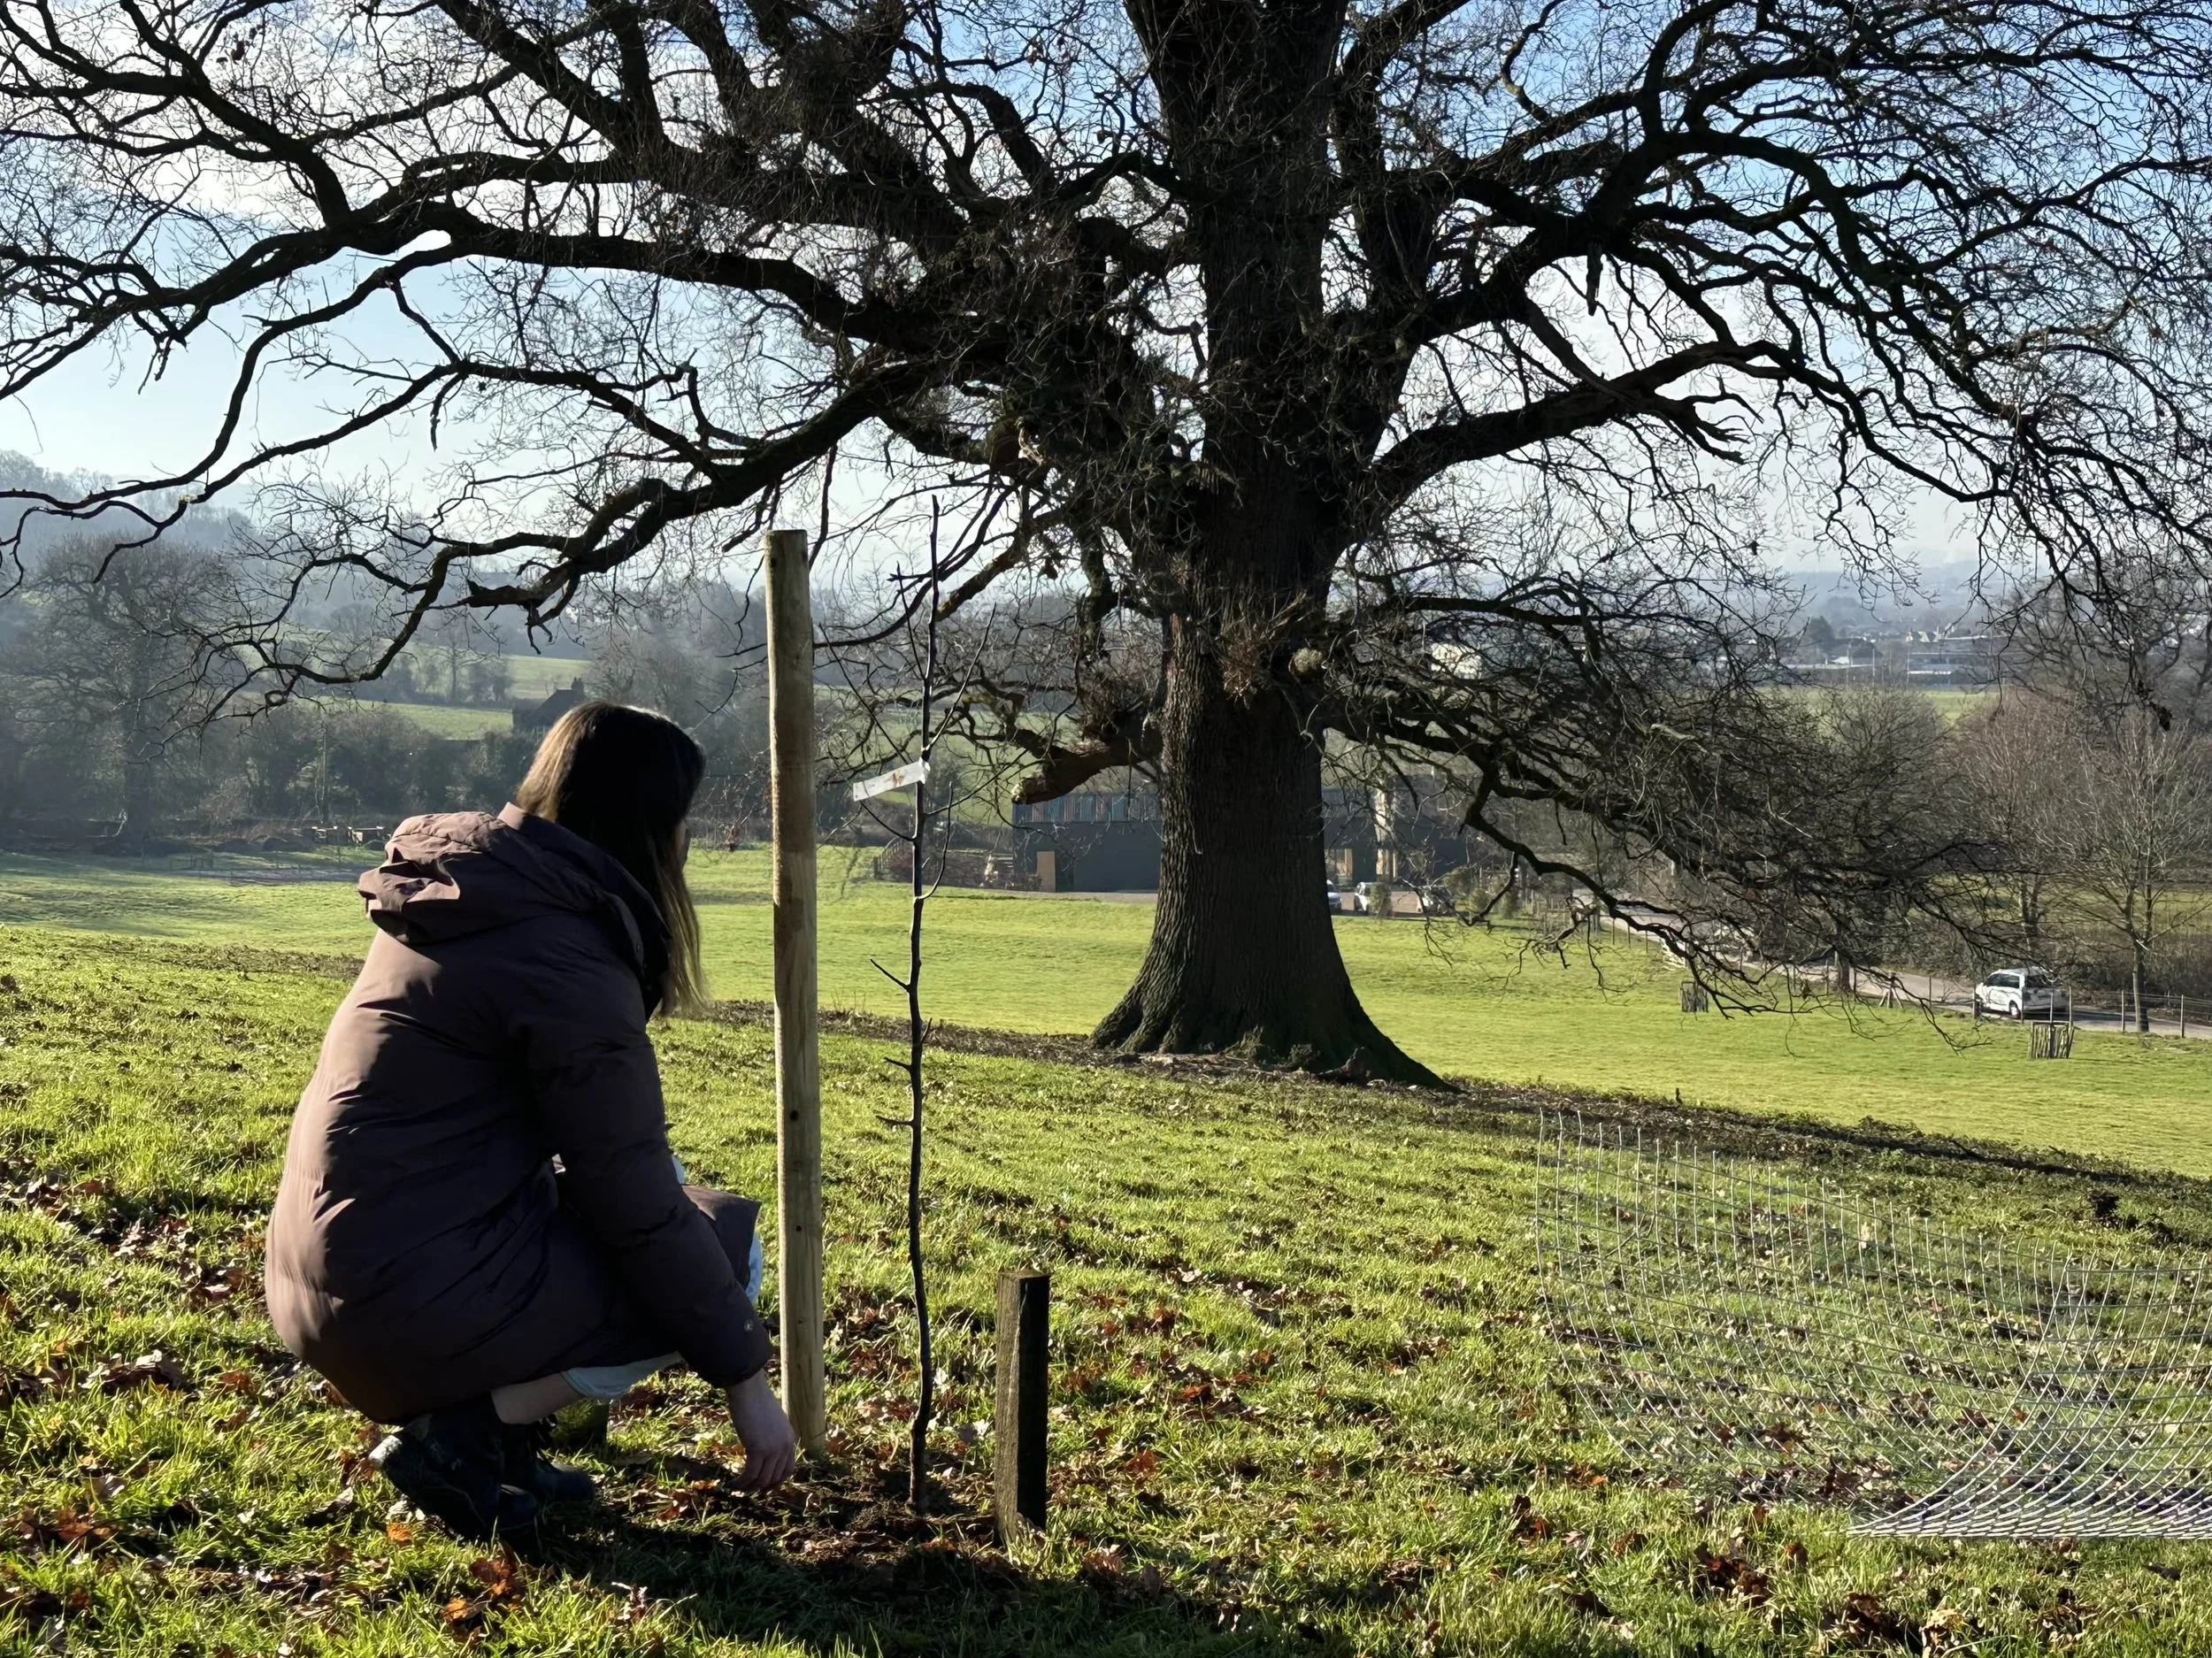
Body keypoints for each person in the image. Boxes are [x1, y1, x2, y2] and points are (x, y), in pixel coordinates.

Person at [264, 702, 798, 1537]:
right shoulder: (563, 957)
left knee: (673, 1200)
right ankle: (465, 1439)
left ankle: (496, 1440)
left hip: (332, 1269)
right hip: (397, 1298)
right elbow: (633, 1201)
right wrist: (748, 1381)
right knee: (730, 1250)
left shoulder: (468, 892)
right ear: (652, 825)